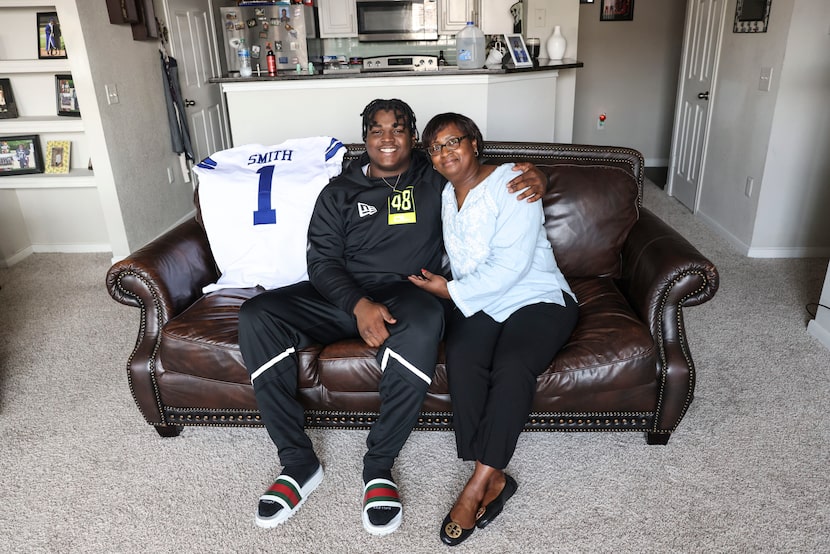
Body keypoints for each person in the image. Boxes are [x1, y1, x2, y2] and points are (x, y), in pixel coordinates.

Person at [237, 98, 548, 535]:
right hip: (343, 295)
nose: (387, 138)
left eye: (398, 129)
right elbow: (322, 263)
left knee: (424, 324)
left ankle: (379, 466)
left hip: (408, 293)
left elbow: (484, 175)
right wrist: (357, 305)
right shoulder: (338, 192)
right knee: (257, 315)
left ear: (414, 138)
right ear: (364, 138)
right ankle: (297, 463)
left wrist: (537, 175)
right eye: (377, 130)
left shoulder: (432, 173)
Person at [409, 112, 579, 546]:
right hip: (480, 300)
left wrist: (449, 292)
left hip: (535, 294)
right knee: (464, 359)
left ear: (475, 143)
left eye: (453, 142)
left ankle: (477, 484)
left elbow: (512, 266)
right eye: (435, 148)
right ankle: (495, 473)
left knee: (514, 365)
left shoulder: (512, 182)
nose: (445, 153)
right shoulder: (444, 192)